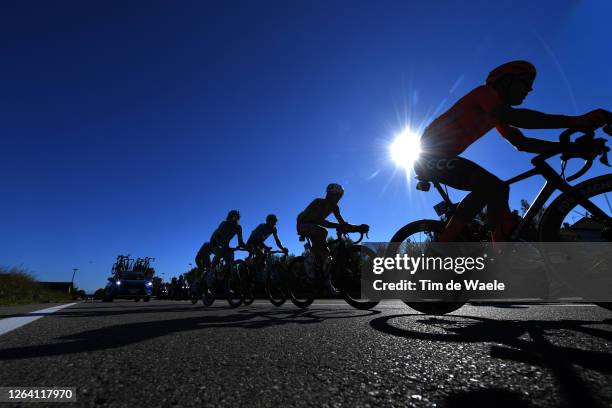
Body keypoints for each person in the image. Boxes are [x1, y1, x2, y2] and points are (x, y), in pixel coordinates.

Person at [416, 60, 611, 242]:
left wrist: (566, 147)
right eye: (525, 82)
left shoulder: (496, 114)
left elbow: (521, 142)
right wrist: (574, 121)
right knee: (490, 185)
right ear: (505, 81)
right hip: (426, 157)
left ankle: (499, 249)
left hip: (444, 157)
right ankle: (444, 245)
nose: (529, 89)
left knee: (500, 188)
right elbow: (516, 117)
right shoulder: (483, 94)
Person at [296, 183, 368, 292]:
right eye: (336, 195)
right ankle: (309, 262)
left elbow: (342, 223)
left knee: (326, 253)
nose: (338, 198)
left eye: (340, 196)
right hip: (302, 224)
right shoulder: (318, 202)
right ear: (328, 194)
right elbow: (319, 221)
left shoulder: (335, 207)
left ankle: (326, 282)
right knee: (322, 231)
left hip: (314, 227)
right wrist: (338, 226)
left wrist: (358, 228)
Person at [206, 210, 247, 286]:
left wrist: (247, 247)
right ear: (230, 217)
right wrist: (223, 246)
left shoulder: (238, 228)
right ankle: (211, 274)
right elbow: (216, 237)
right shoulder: (224, 224)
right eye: (234, 217)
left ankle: (224, 276)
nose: (236, 219)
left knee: (230, 260)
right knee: (219, 253)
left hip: (225, 245)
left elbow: (240, 242)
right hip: (214, 242)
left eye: (237, 217)